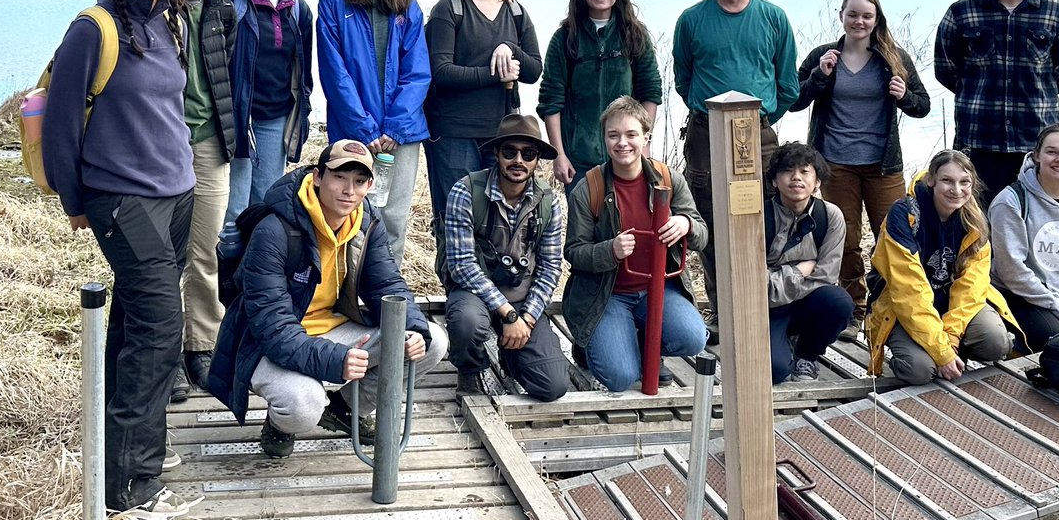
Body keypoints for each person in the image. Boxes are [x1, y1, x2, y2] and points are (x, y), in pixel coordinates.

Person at [44, 0, 198, 518]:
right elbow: (60, 122)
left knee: (136, 325)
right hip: (122, 199)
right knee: (161, 332)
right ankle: (134, 487)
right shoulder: (94, 28)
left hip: (177, 194)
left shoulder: (170, 20)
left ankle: (124, 456)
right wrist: (73, 198)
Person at [208, 139, 448, 459]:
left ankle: (344, 409)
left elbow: (387, 285)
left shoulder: (365, 222)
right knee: (303, 405)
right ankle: (281, 424)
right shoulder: (275, 229)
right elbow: (273, 328)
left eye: (359, 181)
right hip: (262, 343)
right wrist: (336, 361)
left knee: (432, 342)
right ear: (318, 177)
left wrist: (414, 327)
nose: (349, 190)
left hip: (330, 328)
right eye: (339, 177)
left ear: (369, 185)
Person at [672, 0, 798, 331]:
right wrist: (709, 113)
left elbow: (788, 83)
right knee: (707, 216)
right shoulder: (692, 19)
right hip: (705, 132)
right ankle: (723, 311)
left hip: (757, 135)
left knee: (762, 212)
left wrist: (761, 119)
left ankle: (763, 303)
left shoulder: (773, 17)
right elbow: (683, 77)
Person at [790, 0, 930, 340]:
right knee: (845, 239)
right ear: (842, 16)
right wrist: (819, 76)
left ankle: (889, 305)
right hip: (835, 163)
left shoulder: (892, 58)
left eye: (867, 16)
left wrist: (904, 96)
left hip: (883, 165)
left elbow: (923, 105)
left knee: (894, 238)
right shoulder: (825, 55)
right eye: (853, 14)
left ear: (876, 20)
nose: (860, 21)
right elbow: (793, 100)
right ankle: (855, 309)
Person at [563, 97, 708, 392]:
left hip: (659, 288)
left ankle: (644, 344)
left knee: (694, 338)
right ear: (604, 139)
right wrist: (610, 250)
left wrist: (687, 225)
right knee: (619, 377)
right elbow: (574, 252)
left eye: (631, 134)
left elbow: (703, 235)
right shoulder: (589, 187)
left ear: (646, 137)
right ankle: (592, 343)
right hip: (608, 294)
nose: (622, 143)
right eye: (613, 135)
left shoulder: (669, 179)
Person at [934, 0, 1059, 204]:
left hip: (1035, 141)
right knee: (976, 223)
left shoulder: (1055, 13)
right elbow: (945, 69)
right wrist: (976, 95)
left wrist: (1032, 95)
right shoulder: (961, 12)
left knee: (1035, 220)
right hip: (978, 139)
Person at [317, 0, 431, 261]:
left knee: (393, 217)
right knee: (349, 213)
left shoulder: (405, 0)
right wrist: (364, 128)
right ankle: (345, 291)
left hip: (401, 132)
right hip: (354, 130)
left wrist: (395, 126)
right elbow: (334, 72)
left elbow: (418, 70)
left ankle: (387, 292)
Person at [423, 0, 542, 222]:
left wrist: (510, 49)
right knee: (455, 218)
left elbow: (532, 71)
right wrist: (495, 72)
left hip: (502, 136)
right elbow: (441, 72)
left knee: (496, 223)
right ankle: (451, 272)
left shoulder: (516, 12)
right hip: (453, 134)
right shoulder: (448, 9)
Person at [442, 114, 569, 401]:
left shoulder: (549, 201)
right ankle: (470, 368)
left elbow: (550, 269)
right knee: (467, 323)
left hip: (522, 297)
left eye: (529, 153)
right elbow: (462, 267)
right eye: (510, 151)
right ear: (497, 153)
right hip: (474, 292)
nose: (518, 160)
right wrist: (508, 314)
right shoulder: (465, 191)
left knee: (553, 386)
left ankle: (512, 353)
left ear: (538, 160)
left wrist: (527, 318)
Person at [866, 151, 1018, 385]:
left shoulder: (975, 221)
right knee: (919, 371)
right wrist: (941, 352)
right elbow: (909, 293)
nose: (956, 190)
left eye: (964, 182)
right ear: (931, 180)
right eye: (947, 180)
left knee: (996, 344)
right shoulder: (903, 215)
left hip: (951, 303)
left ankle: (954, 351)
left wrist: (950, 342)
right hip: (904, 307)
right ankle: (919, 352)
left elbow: (971, 289)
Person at [173, 0, 238, 393]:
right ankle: (164, 350)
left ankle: (200, 344)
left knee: (206, 248)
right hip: (162, 144)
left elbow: (224, 80)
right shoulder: (153, 6)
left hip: (210, 142)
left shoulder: (222, 10)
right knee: (162, 255)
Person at [538, 0, 661, 192]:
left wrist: (643, 143)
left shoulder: (635, 34)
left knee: (628, 225)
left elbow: (650, 92)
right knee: (584, 227)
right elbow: (550, 102)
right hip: (580, 160)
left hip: (626, 156)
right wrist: (559, 155)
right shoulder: (565, 38)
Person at [220, 0, 314, 223]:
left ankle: (256, 266)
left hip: (276, 118)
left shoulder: (298, 8)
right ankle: (224, 268)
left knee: (265, 202)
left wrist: (303, 113)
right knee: (232, 206)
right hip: (237, 116)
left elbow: (303, 72)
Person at [989, 123, 1059, 352]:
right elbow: (1011, 271)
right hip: (1017, 296)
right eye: (1051, 152)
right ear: (1037, 155)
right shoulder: (1011, 201)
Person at [765, 142, 853, 383]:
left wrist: (777, 279)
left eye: (805, 172)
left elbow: (825, 277)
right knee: (775, 371)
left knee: (838, 301)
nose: (796, 178)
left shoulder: (830, 216)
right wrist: (799, 271)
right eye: (787, 171)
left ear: (817, 182)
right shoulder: (760, 217)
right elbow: (756, 287)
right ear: (774, 180)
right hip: (765, 311)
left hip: (807, 303)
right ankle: (783, 341)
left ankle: (808, 356)